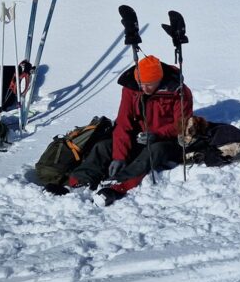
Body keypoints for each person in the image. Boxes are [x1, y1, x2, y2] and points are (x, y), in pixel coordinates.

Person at [68, 55, 193, 205]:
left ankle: (119, 184)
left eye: (149, 84)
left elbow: (182, 124)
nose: (143, 88)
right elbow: (123, 122)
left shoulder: (180, 92)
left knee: (153, 151)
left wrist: (157, 135)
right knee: (104, 146)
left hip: (166, 141)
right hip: (139, 137)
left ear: (159, 80)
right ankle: (80, 182)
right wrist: (119, 156)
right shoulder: (131, 88)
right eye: (141, 83)